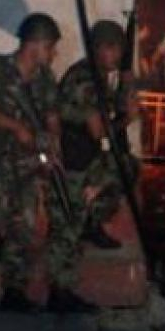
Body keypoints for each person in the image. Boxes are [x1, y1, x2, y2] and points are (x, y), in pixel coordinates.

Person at [0, 13, 92, 312]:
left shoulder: (44, 78)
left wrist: (53, 149)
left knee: (24, 225)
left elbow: (52, 117)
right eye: (50, 47)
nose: (53, 54)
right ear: (34, 44)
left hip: (30, 162)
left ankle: (13, 291)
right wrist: (16, 127)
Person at [59, 20, 139, 251]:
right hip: (71, 161)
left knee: (127, 166)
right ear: (98, 48)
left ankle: (90, 223)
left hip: (83, 153)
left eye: (120, 49)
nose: (118, 55)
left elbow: (110, 112)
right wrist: (128, 119)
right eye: (113, 48)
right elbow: (99, 132)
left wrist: (126, 88)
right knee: (122, 168)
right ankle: (82, 217)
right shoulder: (85, 80)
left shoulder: (97, 75)